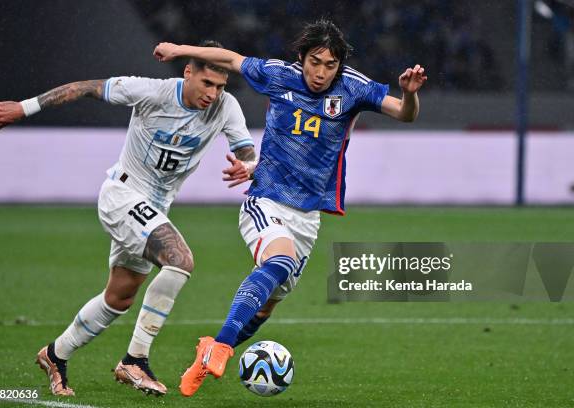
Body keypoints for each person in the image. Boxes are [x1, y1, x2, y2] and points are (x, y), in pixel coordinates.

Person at [153, 19, 427, 397]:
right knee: (278, 263)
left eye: (330, 65)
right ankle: (220, 346)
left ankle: (209, 351)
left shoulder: (352, 87)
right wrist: (182, 49)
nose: (321, 72)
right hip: (265, 200)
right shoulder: (279, 76)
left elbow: (405, 113)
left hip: (307, 216)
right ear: (302, 58)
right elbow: (230, 59)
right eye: (315, 62)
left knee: (264, 307)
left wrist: (409, 93)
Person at [0, 41, 257, 397]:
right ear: (188, 72)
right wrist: (25, 107)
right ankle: (135, 360)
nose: (213, 93)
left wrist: (248, 166)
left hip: (154, 209)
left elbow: (246, 150)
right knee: (180, 260)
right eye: (207, 83)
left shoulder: (225, 107)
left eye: (220, 86)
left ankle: (56, 354)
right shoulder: (152, 92)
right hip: (122, 196)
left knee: (120, 296)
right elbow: (86, 88)